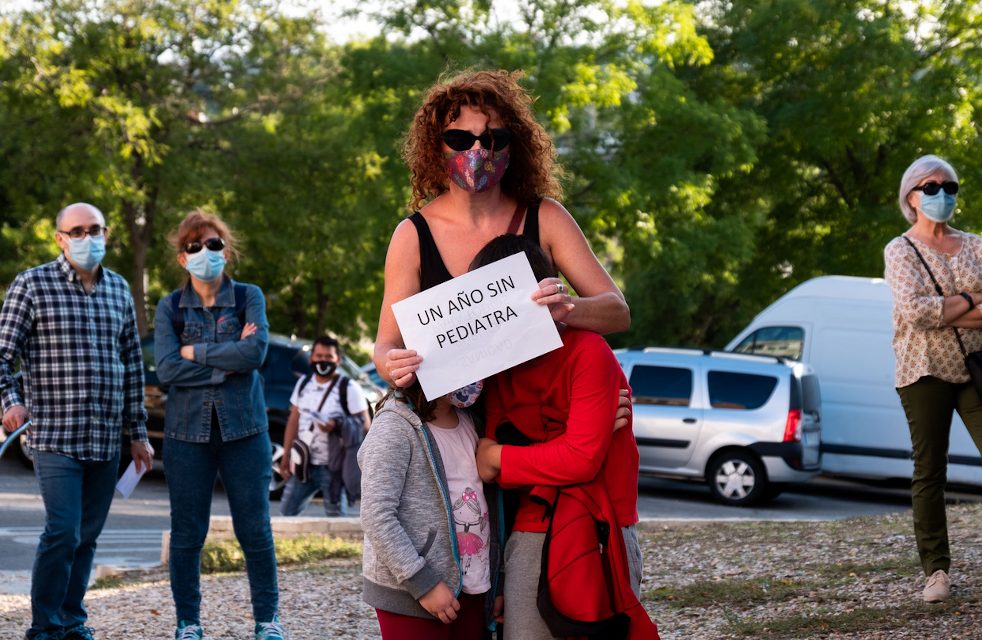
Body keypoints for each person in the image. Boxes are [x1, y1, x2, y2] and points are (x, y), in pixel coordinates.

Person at [373, 68, 630, 388]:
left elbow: (617, 312)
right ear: (436, 148)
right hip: (454, 413)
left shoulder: (546, 217)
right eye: (459, 139)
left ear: (513, 146)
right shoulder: (412, 235)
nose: (477, 150)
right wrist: (393, 366)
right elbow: (385, 347)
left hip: (539, 406)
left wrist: (565, 308)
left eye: (493, 138)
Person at [472, 235, 658, 639]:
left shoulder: (588, 350)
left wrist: (502, 456)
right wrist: (569, 441)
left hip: (602, 525)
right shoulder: (500, 372)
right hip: (531, 528)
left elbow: (578, 460)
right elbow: (489, 470)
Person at [0, 203, 153, 640]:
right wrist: (10, 402)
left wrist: (138, 434)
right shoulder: (32, 284)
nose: (88, 238)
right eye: (78, 231)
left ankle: (71, 621)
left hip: (105, 439)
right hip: (54, 436)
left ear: (106, 233)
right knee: (63, 531)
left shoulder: (119, 289)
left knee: (86, 537)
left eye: (95, 230)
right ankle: (44, 626)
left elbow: (132, 365)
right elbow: (2, 356)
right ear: (60, 239)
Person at [153, 210, 287, 640]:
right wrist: (226, 360)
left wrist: (195, 353)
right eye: (194, 246)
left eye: (213, 244)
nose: (205, 252)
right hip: (186, 436)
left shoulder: (249, 296)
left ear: (225, 251)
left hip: (245, 431)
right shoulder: (169, 307)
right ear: (182, 257)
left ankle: (267, 620)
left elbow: (255, 354)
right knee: (187, 535)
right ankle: (188, 622)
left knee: (255, 531)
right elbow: (167, 369)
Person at [884, 154, 982, 604]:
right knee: (930, 470)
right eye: (931, 187)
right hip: (922, 370)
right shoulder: (900, 250)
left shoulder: (976, 245)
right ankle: (936, 571)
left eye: (950, 187)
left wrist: (945, 309)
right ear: (911, 197)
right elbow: (915, 312)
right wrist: (972, 298)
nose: (942, 194)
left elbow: (931, 312)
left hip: (976, 367)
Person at [359, 381, 502, 640]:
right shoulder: (394, 425)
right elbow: (376, 514)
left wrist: (496, 583)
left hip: (474, 588)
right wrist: (422, 583)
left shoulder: (472, 421)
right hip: (411, 594)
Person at [279, 335, 370, 517]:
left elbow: (366, 426)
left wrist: (337, 425)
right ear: (311, 358)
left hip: (334, 468)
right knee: (287, 514)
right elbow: (293, 420)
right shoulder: (303, 383)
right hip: (303, 463)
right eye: (319, 356)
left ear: (338, 360)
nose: (323, 360)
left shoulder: (349, 387)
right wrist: (286, 455)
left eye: (328, 356)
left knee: (336, 519)